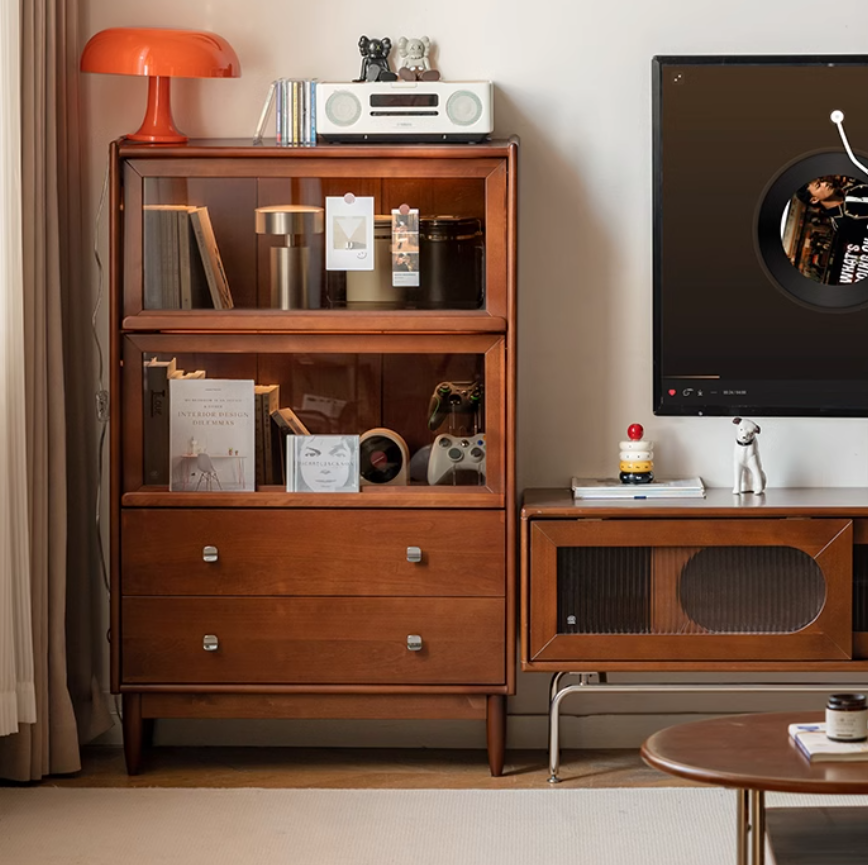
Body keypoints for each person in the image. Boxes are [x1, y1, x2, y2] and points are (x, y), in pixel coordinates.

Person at [795, 176, 868, 220]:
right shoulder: (841, 221)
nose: (825, 183)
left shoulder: (849, 188)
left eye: (821, 181)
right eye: (818, 186)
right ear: (814, 200)